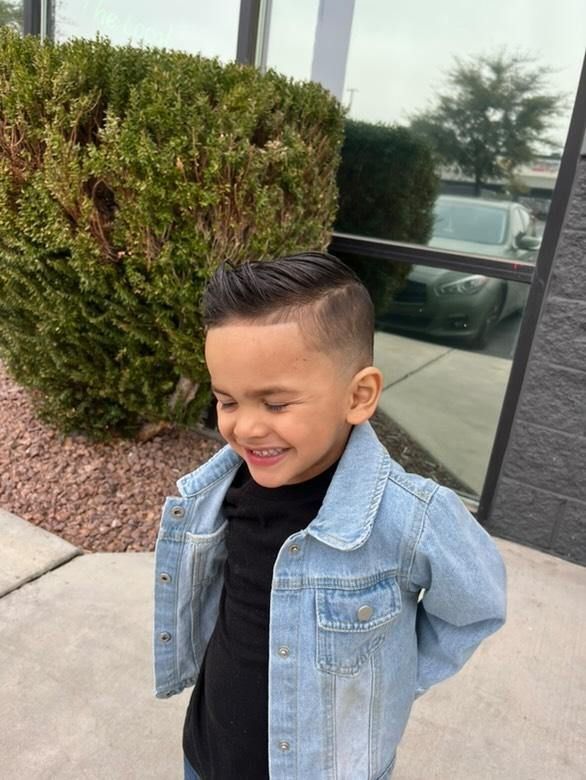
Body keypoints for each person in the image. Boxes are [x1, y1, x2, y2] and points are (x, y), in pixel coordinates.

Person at [152, 251, 507, 780]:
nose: (245, 428)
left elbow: (476, 606)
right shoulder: (219, 492)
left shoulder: (410, 517)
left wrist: (388, 684)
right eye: (227, 401)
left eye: (275, 404)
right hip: (206, 754)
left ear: (359, 396)